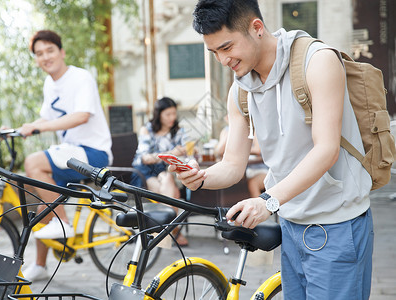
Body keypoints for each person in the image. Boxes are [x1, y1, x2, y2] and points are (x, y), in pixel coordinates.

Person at [171, 1, 374, 299]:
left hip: (338, 225)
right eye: (214, 52)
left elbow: (326, 150)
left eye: (227, 47)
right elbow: (232, 165)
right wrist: (200, 177)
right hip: (290, 226)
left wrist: (268, 201)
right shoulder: (240, 89)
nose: (223, 60)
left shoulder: (317, 61)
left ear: (256, 28)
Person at [18, 30, 113, 281]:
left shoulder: (81, 77)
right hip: (70, 154)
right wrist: (20, 130)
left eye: (50, 50)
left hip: (93, 154)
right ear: (36, 60)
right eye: (39, 54)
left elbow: (82, 115)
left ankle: (63, 224)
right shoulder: (50, 83)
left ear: (62, 52)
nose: (45, 57)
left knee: (33, 163)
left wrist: (39, 128)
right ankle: (40, 265)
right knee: (42, 204)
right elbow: (47, 119)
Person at [131, 97, 188, 246]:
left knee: (168, 180)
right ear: (159, 114)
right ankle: (173, 231)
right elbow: (145, 158)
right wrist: (171, 152)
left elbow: (187, 150)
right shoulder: (147, 129)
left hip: (162, 171)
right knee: (173, 193)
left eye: (174, 114)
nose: (172, 118)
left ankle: (163, 231)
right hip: (144, 172)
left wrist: (184, 150)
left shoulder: (177, 130)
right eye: (167, 114)